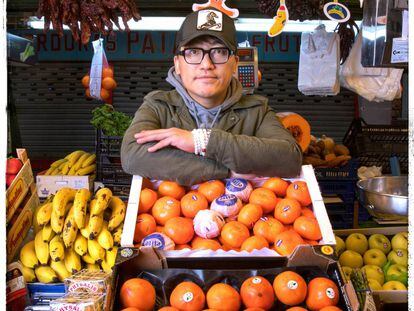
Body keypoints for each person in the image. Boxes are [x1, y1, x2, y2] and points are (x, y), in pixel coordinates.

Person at [121, 7, 302, 186]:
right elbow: (132, 155)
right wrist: (226, 171)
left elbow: (290, 158)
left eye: (219, 52)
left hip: (244, 214)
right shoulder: (158, 107)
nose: (206, 64)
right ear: (177, 64)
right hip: (171, 212)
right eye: (193, 52)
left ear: (234, 64)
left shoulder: (257, 112)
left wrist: (204, 141)